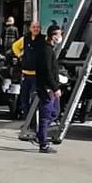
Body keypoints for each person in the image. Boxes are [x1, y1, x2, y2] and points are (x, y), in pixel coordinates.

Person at [35, 23, 62, 153]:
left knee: (55, 112)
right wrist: (54, 87)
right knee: (46, 115)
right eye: (58, 34)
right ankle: (43, 143)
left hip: (50, 87)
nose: (60, 37)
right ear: (52, 36)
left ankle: (41, 135)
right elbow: (47, 71)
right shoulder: (46, 50)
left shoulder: (49, 49)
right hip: (47, 88)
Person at [11, 20, 44, 123]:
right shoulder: (25, 39)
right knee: (24, 100)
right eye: (34, 27)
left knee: (35, 100)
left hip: (37, 75)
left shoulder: (43, 39)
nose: (36, 29)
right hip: (26, 74)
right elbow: (15, 46)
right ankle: (27, 122)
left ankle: (34, 122)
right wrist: (19, 54)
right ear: (30, 28)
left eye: (37, 27)